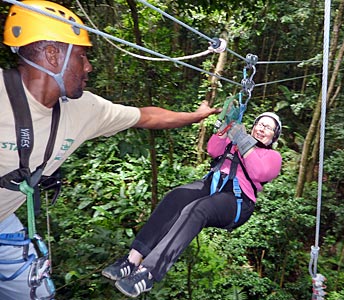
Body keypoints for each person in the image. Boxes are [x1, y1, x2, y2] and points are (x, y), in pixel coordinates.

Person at [0, 1, 220, 299]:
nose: (88, 66)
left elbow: (148, 116)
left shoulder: (85, 109)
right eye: (81, 56)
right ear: (53, 56)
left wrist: (195, 116)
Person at [102, 112, 283, 298]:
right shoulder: (235, 142)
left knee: (197, 210)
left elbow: (259, 172)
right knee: (175, 197)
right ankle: (132, 259)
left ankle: (148, 272)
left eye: (268, 127)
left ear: (274, 136)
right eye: (260, 124)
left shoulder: (272, 156)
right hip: (213, 184)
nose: (262, 128)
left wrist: (243, 139)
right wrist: (224, 130)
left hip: (238, 200)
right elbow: (213, 150)